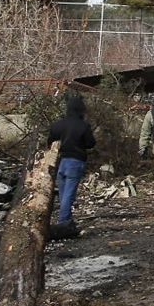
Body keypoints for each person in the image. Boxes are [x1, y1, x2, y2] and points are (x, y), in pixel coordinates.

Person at [47, 91, 96, 226]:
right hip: (76, 161)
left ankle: (67, 219)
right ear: (81, 110)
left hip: (59, 162)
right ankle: (63, 221)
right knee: (69, 194)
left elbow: (50, 142)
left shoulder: (57, 125)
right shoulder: (83, 125)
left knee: (64, 193)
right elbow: (91, 143)